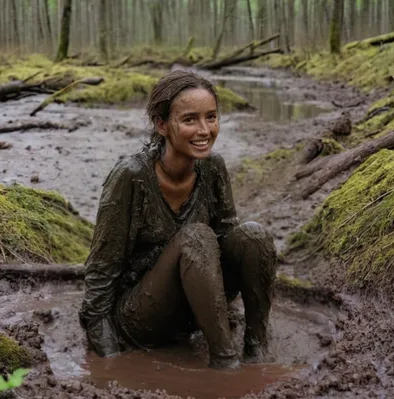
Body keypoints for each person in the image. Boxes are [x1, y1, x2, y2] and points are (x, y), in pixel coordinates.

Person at [79, 70, 277, 369]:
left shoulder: (213, 167)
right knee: (196, 236)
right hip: (141, 317)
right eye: (189, 120)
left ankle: (256, 351)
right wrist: (109, 361)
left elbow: (226, 242)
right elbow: (101, 271)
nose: (204, 130)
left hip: (194, 311)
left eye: (211, 117)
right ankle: (225, 365)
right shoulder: (131, 176)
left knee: (253, 236)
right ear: (162, 125)